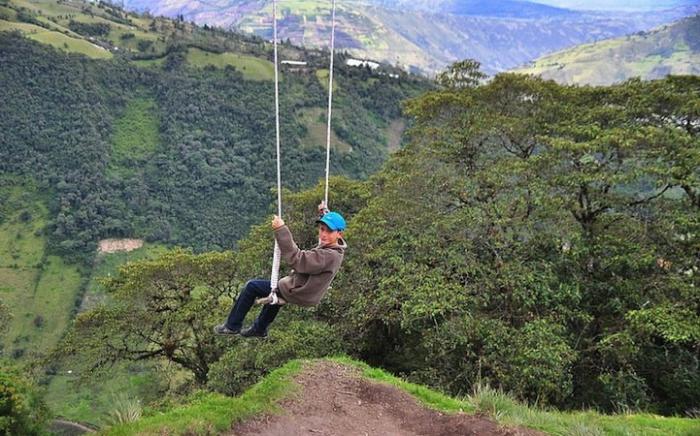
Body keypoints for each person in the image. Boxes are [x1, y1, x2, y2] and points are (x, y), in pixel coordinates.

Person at [213, 202, 347, 338]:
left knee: (252, 286)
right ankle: (259, 328)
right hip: (307, 292)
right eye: (321, 229)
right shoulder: (337, 248)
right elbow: (332, 228)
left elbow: (297, 259)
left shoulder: (329, 255)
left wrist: (281, 229)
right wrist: (324, 212)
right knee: (275, 292)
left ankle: (232, 326)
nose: (323, 234)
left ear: (339, 234)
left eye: (329, 231)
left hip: (300, 292)